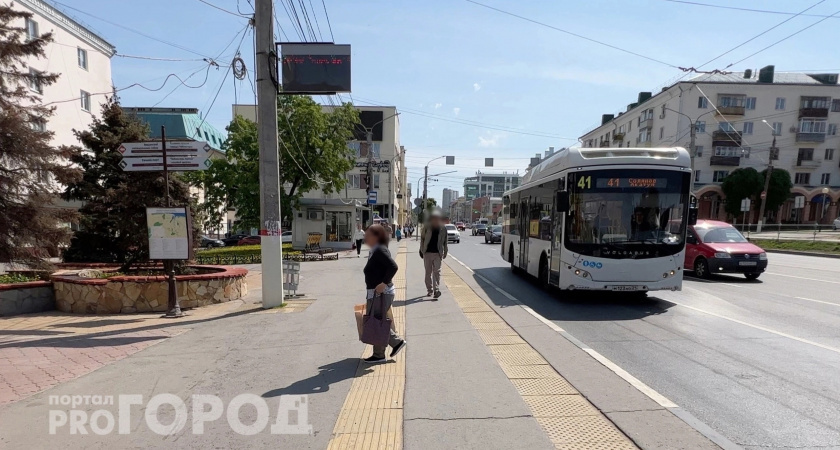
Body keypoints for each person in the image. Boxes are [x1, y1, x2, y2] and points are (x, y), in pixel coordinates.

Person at [362, 224, 406, 364]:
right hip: (376, 293)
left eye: (368, 235)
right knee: (377, 320)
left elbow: (393, 266)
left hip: (382, 293)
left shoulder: (380, 250)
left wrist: (383, 283)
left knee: (377, 321)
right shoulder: (376, 250)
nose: (365, 237)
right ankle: (379, 353)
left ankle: (396, 343)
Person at [419, 210, 448, 299]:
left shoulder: (443, 228)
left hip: (437, 253)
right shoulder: (427, 227)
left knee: (437, 272)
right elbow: (422, 239)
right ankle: (430, 290)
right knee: (428, 273)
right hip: (427, 253)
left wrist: (445, 251)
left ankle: (436, 290)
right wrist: (421, 250)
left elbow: (445, 242)